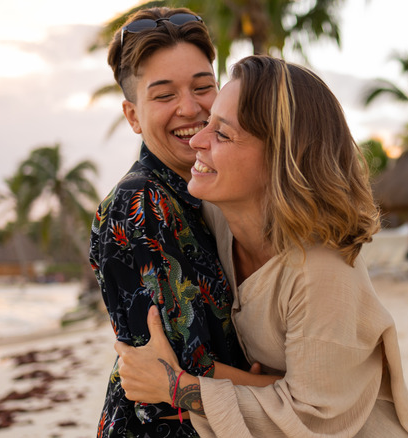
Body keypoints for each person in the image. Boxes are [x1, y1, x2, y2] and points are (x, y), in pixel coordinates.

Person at [115, 55, 408, 437]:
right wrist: (250, 382)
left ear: (280, 159)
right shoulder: (215, 219)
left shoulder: (322, 270)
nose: (198, 140)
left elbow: (314, 417)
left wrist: (177, 387)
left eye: (222, 134)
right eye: (208, 123)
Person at [89, 7, 271, 437]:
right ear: (133, 116)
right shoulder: (142, 201)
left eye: (203, 87)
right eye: (164, 95)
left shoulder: (207, 191)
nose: (190, 109)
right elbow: (175, 375)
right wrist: (291, 392)